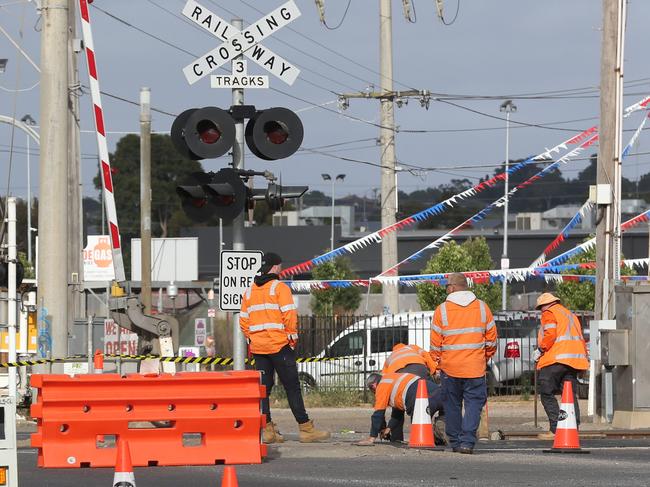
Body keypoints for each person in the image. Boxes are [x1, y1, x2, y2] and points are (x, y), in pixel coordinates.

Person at [240, 252, 330, 444]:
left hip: (259, 348)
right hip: (279, 345)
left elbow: (244, 321)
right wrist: (291, 339)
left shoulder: (249, 292)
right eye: (279, 266)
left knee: (264, 389)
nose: (280, 269)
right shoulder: (279, 288)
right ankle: (306, 429)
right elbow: (289, 315)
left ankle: (268, 430)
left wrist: (253, 338)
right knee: (292, 387)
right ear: (274, 267)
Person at [430, 272, 497, 454]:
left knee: (452, 405)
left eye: (446, 287)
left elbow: (435, 344)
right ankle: (468, 442)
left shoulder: (441, 310)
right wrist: (484, 357)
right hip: (475, 368)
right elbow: (491, 341)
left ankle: (456, 442)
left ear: (451, 288)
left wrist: (436, 365)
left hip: (450, 368)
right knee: (474, 404)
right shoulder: (483, 308)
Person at [533, 292, 589, 440]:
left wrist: (540, 350)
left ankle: (555, 429)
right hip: (572, 361)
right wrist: (584, 363)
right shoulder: (569, 314)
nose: (541, 311)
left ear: (544, 305)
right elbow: (581, 339)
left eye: (540, 308)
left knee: (546, 392)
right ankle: (572, 428)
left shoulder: (549, 312)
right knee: (569, 396)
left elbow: (550, 334)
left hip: (556, 359)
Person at [355, 372, 444, 446]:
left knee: (419, 430)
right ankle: (441, 437)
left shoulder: (382, 385)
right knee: (445, 421)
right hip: (439, 392)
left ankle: (432, 438)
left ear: (373, 386)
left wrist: (371, 438)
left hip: (421, 397)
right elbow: (397, 413)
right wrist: (388, 428)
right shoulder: (393, 379)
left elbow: (378, 414)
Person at [380, 343, 444, 443]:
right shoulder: (413, 347)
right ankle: (441, 426)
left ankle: (397, 438)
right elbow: (427, 357)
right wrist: (433, 371)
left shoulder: (390, 357)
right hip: (419, 369)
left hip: (399, 374)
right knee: (434, 395)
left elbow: (384, 379)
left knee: (399, 408)